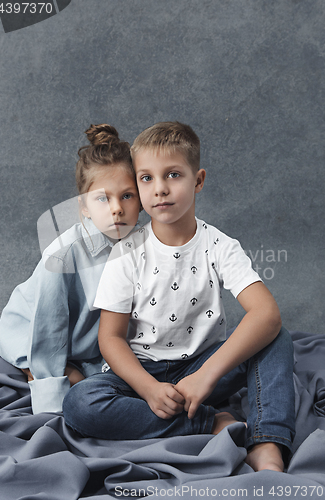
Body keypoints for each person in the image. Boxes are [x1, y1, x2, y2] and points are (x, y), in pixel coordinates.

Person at [63, 121, 295, 472]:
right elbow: (110, 338)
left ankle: (266, 441)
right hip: (141, 373)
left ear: (198, 180)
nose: (160, 190)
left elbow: (266, 313)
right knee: (80, 403)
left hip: (204, 368)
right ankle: (208, 422)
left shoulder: (219, 246)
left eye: (173, 175)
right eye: (146, 178)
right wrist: (148, 390)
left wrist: (205, 376)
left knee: (276, 338)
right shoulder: (127, 252)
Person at [0, 124, 140, 414]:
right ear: (84, 207)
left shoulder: (143, 245)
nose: (116, 209)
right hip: (34, 328)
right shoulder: (62, 255)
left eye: (127, 195)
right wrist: (51, 390)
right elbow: (50, 323)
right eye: (103, 198)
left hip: (92, 342)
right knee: (74, 382)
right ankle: (37, 371)